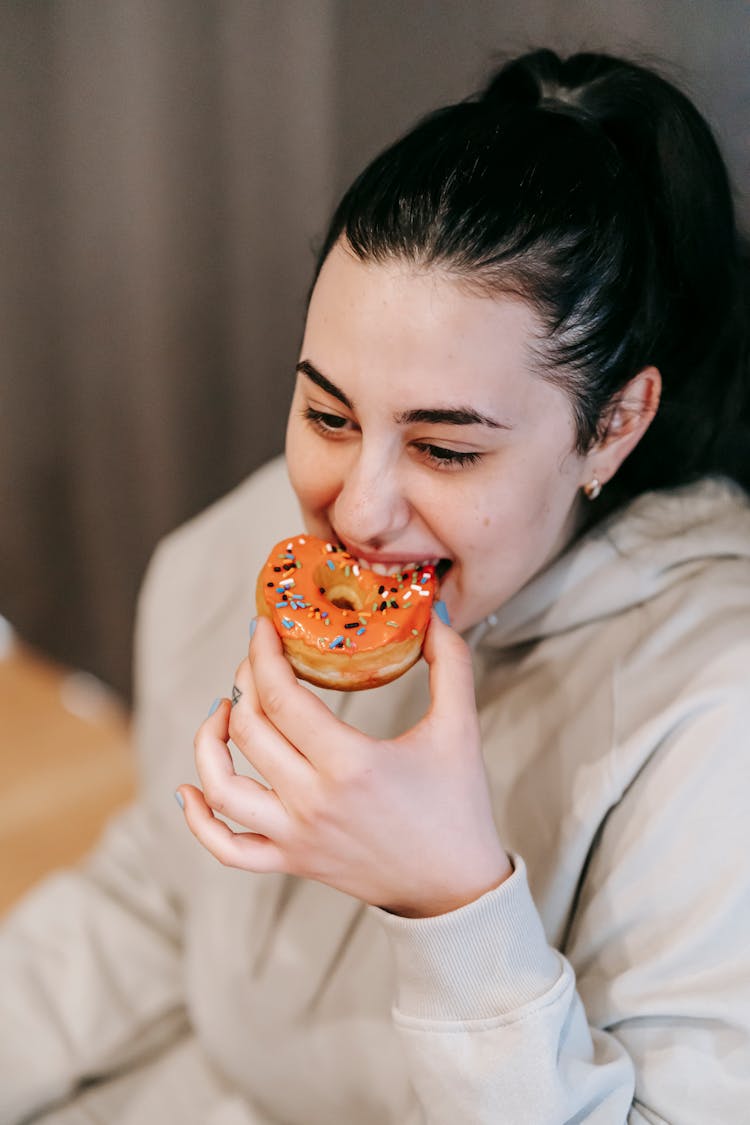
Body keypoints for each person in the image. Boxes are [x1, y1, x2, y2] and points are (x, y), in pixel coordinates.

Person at [1, 47, 749, 1125]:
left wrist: (453, 905)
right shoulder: (248, 552)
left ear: (614, 424)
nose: (356, 510)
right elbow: (159, 902)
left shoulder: (715, 721)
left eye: (447, 451)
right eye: (329, 415)